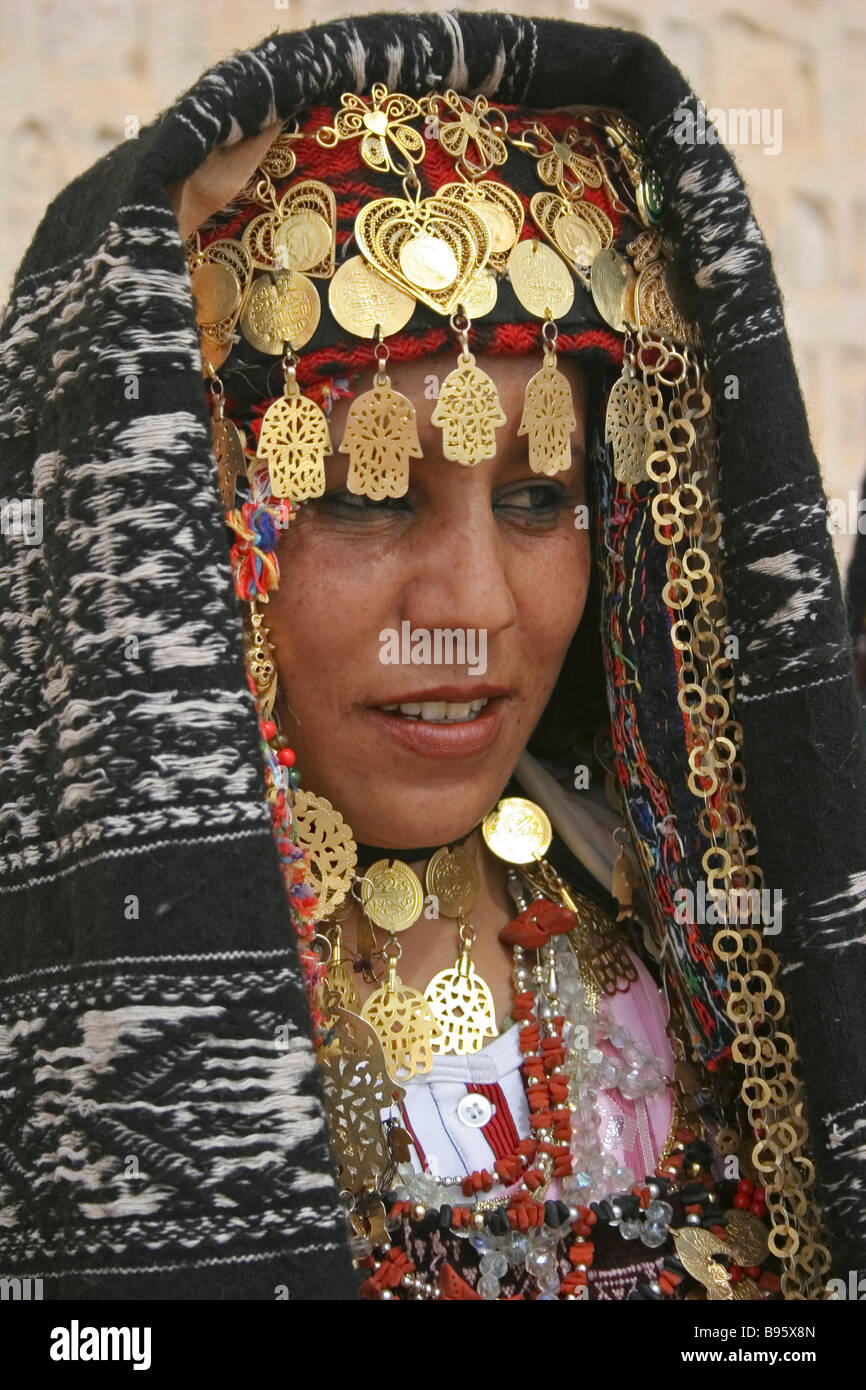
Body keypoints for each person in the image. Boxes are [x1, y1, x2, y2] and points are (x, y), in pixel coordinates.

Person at [1, 10, 864, 1304]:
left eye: (536, 502)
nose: (472, 607)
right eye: (358, 494)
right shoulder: (59, 1024)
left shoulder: (690, 936)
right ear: (178, 537)